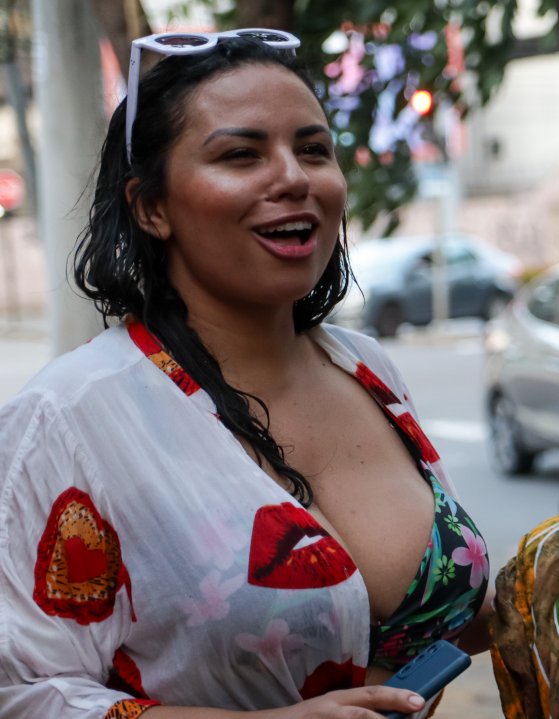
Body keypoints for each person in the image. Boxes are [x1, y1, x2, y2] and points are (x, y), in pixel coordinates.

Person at [0, 31, 489, 719]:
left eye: (313, 149)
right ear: (150, 207)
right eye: (241, 154)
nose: (293, 177)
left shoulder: (365, 368)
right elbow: (22, 692)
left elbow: (425, 625)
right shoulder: (68, 418)